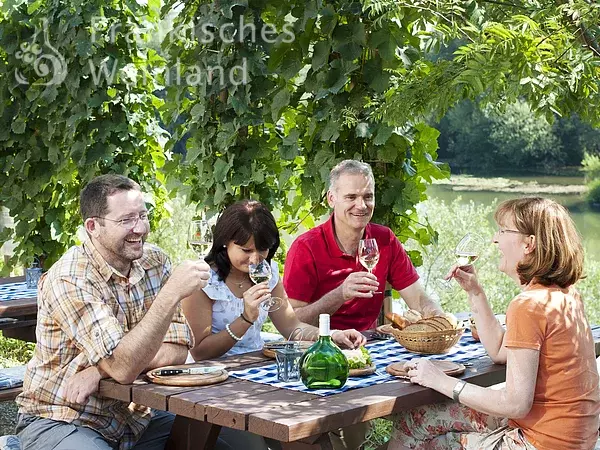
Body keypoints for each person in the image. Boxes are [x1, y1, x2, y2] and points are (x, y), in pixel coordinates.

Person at [15, 174, 211, 450]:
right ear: (93, 226)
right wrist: (170, 295)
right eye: (126, 220)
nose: (140, 228)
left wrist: (99, 371)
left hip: (138, 417)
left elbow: (178, 350)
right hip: (64, 418)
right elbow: (122, 367)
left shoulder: (156, 261)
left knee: (229, 436)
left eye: (143, 216)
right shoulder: (71, 278)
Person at [389, 197, 600, 449]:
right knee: (422, 418)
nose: (494, 239)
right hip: (577, 437)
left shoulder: (529, 306)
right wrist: (475, 292)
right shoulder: (565, 295)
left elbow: (515, 404)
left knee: (415, 424)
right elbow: (501, 352)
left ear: (529, 244)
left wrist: (440, 381)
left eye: (503, 230)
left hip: (540, 442)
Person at [181, 199, 366, 450]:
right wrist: (245, 318)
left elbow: (291, 327)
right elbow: (199, 351)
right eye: (246, 251)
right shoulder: (204, 281)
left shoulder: (266, 272)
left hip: (257, 375)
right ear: (225, 242)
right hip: (213, 384)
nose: (256, 259)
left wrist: (330, 336)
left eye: (263, 249)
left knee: (310, 434)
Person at [283, 159, 443, 332]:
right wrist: (340, 294)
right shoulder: (306, 247)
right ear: (331, 199)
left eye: (368, 197)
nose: (361, 205)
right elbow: (290, 324)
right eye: (351, 197)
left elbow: (418, 298)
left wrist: (440, 320)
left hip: (370, 346)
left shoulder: (384, 239)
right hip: (321, 348)